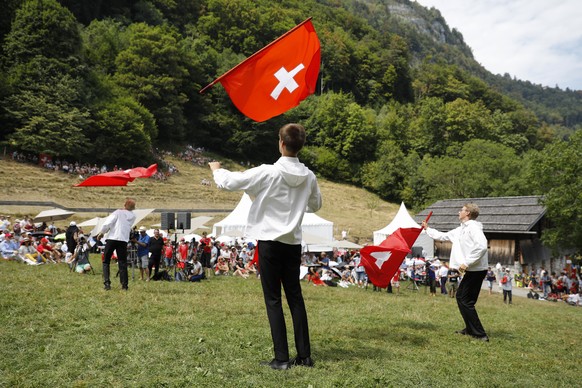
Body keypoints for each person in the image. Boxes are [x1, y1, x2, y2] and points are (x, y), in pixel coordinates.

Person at [210, 123, 321, 370]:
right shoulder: (309, 176)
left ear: (281, 143)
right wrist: (297, 202)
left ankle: (281, 358)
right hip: (292, 243)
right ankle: (304, 356)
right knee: (295, 298)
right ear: (300, 145)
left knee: (273, 300)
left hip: (270, 242)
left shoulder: (268, 172)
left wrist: (217, 169)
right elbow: (316, 205)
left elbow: (230, 182)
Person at [422, 203, 489, 342]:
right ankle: (471, 329)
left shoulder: (473, 228)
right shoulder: (460, 230)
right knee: (462, 298)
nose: (459, 212)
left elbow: (482, 247)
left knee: (465, 300)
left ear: (468, 213)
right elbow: (442, 236)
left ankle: (480, 334)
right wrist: (427, 229)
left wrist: (466, 263)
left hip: (476, 269)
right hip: (472, 270)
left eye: (462, 210)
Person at [96, 198, 136, 291]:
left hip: (113, 238)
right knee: (122, 263)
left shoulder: (118, 212)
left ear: (125, 205)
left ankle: (107, 284)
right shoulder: (133, 216)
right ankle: (124, 285)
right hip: (123, 240)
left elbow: (108, 222)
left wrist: (102, 232)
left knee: (106, 261)